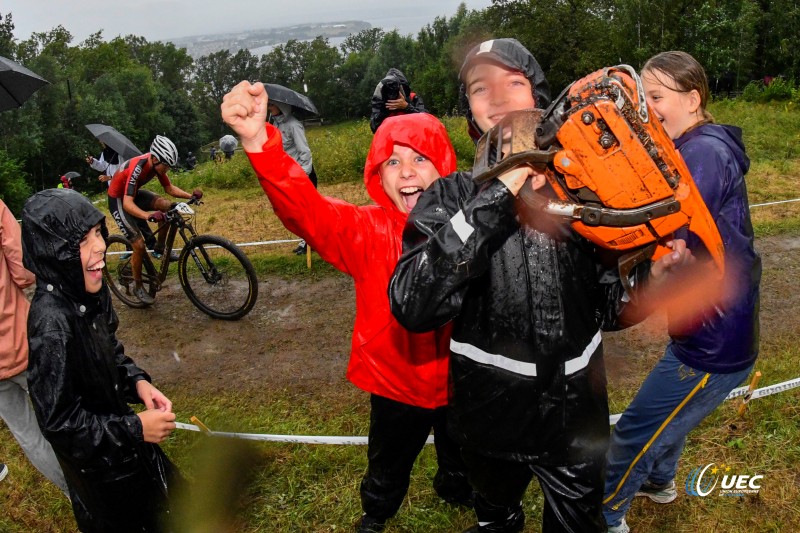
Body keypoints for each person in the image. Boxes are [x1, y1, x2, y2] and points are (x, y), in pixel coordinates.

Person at [388, 38, 690, 533]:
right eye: (480, 88)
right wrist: (498, 195)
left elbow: (611, 310)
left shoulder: (587, 193)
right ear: (469, 110)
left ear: (539, 98)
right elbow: (412, 304)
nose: (500, 98)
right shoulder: (448, 197)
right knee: (497, 520)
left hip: (577, 423)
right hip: (487, 422)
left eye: (514, 82)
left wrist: (649, 283)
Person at [222, 82, 473, 533]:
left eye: (420, 157)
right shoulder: (367, 230)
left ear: (445, 166)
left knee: (462, 443)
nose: (407, 172)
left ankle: (456, 485)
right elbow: (307, 208)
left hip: (461, 375)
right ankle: (376, 513)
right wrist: (260, 142)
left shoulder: (471, 225)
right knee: (389, 458)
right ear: (377, 173)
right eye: (392, 161)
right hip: (397, 381)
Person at [602, 51, 762, 533]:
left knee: (634, 429)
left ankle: (604, 512)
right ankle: (661, 481)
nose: (649, 109)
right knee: (673, 416)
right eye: (643, 99)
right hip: (718, 329)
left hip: (710, 341)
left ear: (693, 99)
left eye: (657, 97)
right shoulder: (698, 145)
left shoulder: (701, 152)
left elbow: (675, 237)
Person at [21, 188, 182, 532]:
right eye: (82, 240)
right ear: (54, 254)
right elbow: (60, 423)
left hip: (127, 451)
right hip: (102, 479)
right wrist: (135, 428)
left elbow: (110, 349)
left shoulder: (91, 291)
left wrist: (137, 381)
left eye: (98, 233)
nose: (99, 246)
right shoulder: (51, 326)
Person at [0, 198, 69, 495]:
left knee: (29, 436)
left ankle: (72, 494)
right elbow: (24, 269)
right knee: (67, 417)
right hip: (22, 342)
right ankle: (95, 492)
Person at [107, 135, 201, 304]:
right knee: (138, 245)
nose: (167, 170)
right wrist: (148, 215)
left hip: (132, 195)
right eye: (166, 166)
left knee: (167, 206)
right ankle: (137, 286)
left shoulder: (158, 165)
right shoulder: (138, 167)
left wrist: (191, 196)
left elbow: (169, 188)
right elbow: (128, 203)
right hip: (119, 200)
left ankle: (159, 248)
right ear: (156, 158)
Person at [267, 100, 318, 255]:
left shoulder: (294, 125)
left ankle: (310, 243)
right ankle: (306, 240)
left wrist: (302, 176)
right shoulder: (274, 124)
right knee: (295, 212)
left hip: (303, 174)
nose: (269, 108)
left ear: (281, 107)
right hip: (287, 174)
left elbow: (305, 152)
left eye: (271, 105)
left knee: (306, 211)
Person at [370, 68, 426, 133]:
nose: (394, 93)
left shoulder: (413, 98)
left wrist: (407, 107)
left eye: (398, 89)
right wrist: (384, 110)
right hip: (392, 140)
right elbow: (374, 128)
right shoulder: (384, 103)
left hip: (412, 138)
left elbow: (426, 119)